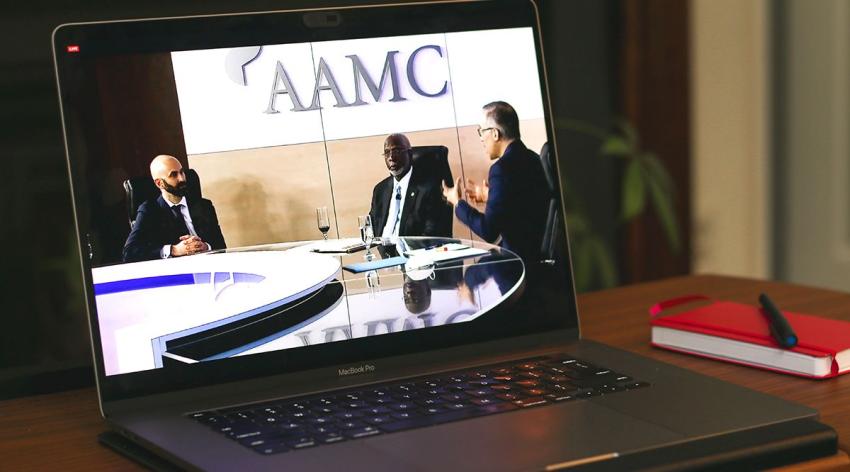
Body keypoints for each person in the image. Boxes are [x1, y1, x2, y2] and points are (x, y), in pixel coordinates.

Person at [442, 101, 550, 264]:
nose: (480, 138)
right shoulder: (533, 158)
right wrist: (490, 197)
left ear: (494, 133)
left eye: (481, 131)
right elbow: (524, 204)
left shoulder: (501, 169)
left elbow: (488, 231)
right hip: (536, 255)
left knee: (470, 275)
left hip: (520, 263)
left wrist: (458, 203)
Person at [123, 155, 226, 262]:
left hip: (207, 266)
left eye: (182, 172)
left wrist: (206, 247)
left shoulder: (204, 205)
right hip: (175, 272)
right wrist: (173, 250)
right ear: (159, 183)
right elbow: (129, 252)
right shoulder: (149, 210)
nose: (181, 178)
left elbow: (221, 246)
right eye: (173, 175)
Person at [369, 133, 450, 239]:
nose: (391, 157)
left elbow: (432, 235)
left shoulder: (429, 190)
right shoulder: (380, 190)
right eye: (387, 152)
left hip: (413, 253)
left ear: (410, 154)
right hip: (383, 252)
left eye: (396, 151)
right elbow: (370, 227)